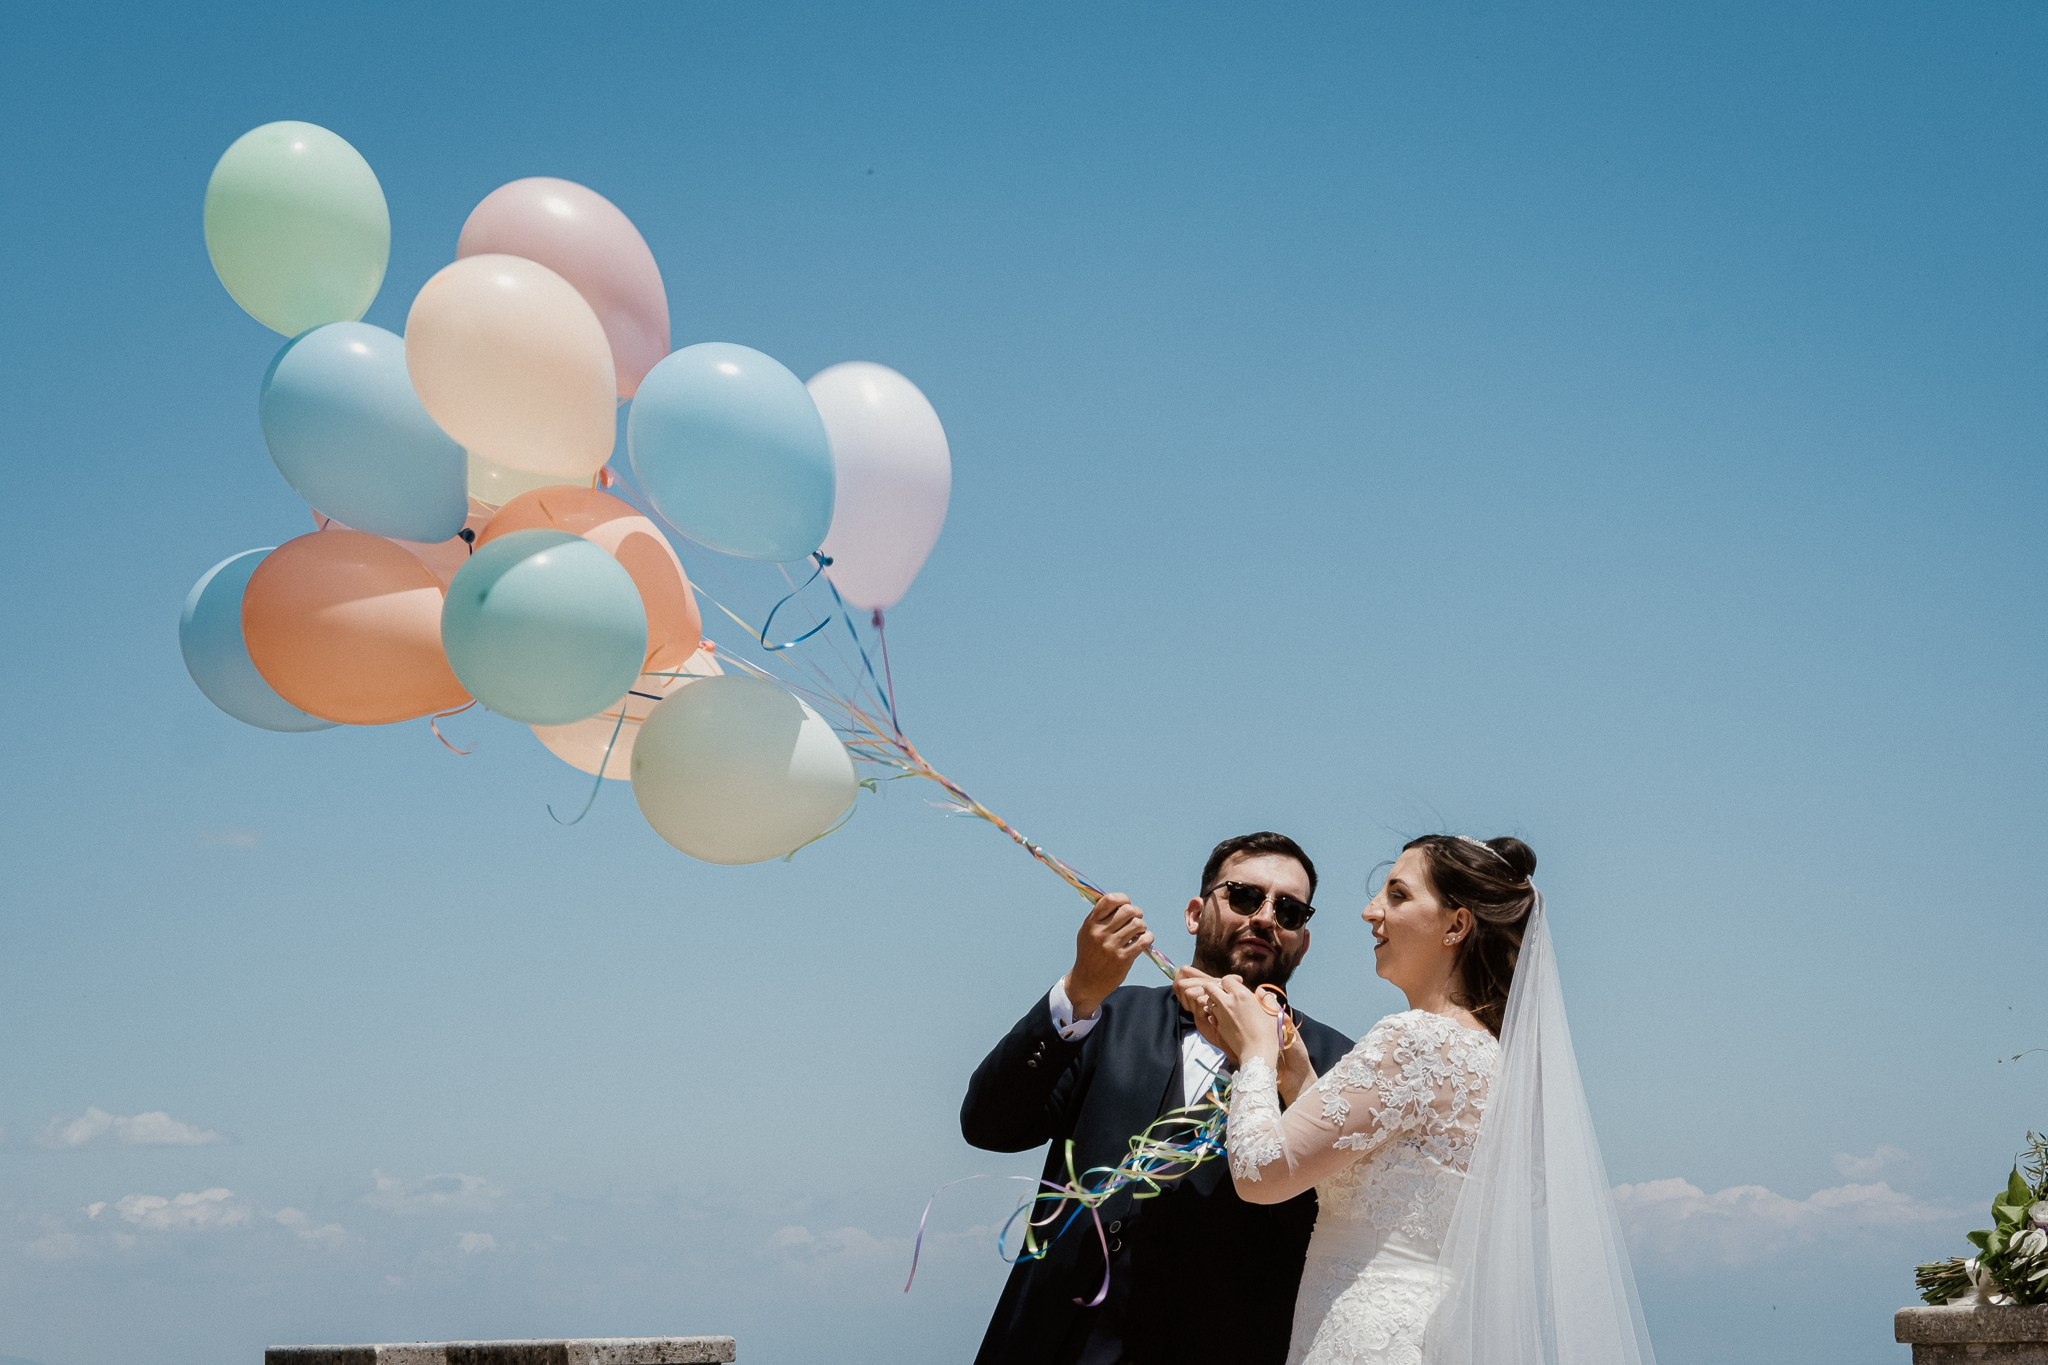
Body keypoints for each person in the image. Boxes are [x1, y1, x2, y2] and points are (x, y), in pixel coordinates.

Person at [1177, 835, 1655, 1365]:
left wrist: (1256, 1053)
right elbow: (1365, 1166)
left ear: (1456, 925)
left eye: (1398, 895)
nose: (1370, 911)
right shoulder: (1496, 1059)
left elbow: (1260, 1173)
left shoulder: (1413, 1041)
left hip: (1364, 1336)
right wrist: (1297, 1073)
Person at [960, 832, 1356, 1365]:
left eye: (1288, 910)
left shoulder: (1338, 1065)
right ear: (1194, 914)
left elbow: (1334, 1222)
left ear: (1302, 942)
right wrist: (1078, 990)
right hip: (1053, 1343)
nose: (1265, 917)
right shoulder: (1106, 1015)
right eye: (1244, 897)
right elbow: (989, 1126)